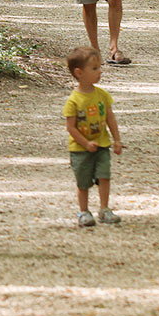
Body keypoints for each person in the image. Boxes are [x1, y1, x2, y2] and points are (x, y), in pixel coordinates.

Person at [64, 46, 123, 227]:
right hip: (80, 150)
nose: (99, 72)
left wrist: (117, 140)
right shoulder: (74, 100)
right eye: (94, 68)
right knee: (83, 183)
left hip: (102, 145)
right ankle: (83, 211)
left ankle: (104, 209)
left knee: (104, 176)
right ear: (79, 73)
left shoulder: (102, 96)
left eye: (99, 68)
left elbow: (110, 118)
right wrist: (85, 142)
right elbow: (71, 127)